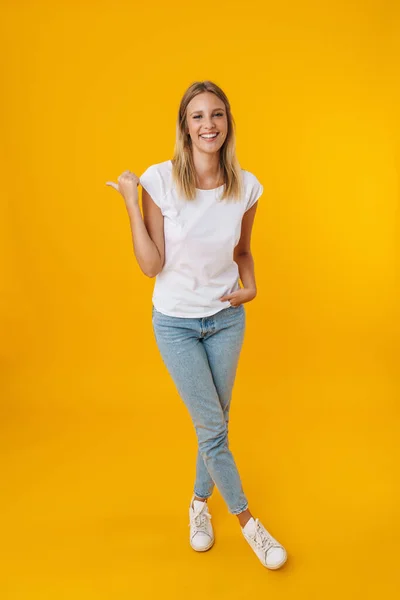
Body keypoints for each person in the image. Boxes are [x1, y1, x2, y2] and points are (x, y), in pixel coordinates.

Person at [106, 80, 288, 570]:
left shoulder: (246, 186)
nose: (209, 124)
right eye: (198, 116)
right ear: (184, 127)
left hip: (228, 319)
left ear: (228, 124)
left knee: (216, 425)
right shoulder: (160, 180)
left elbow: (243, 252)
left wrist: (250, 286)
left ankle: (197, 506)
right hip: (177, 323)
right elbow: (151, 265)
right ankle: (251, 524)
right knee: (212, 427)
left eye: (217, 115)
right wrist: (129, 201)